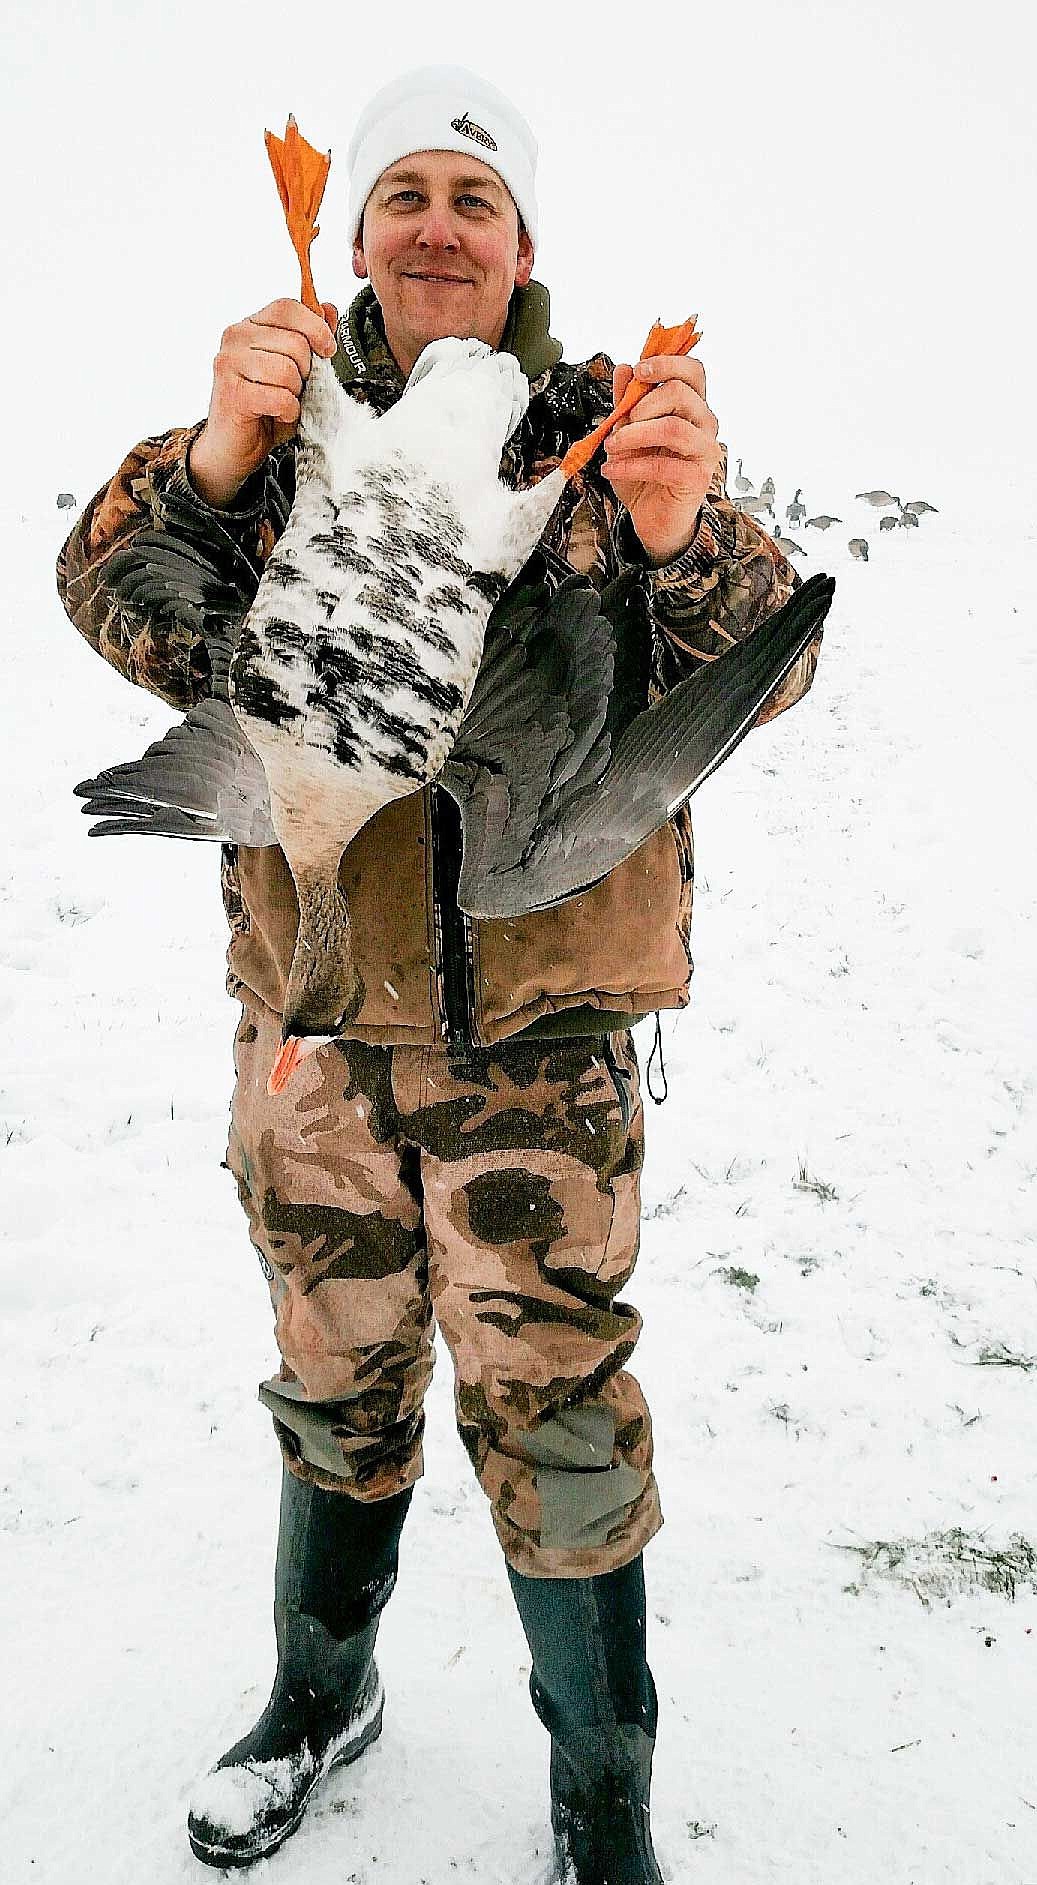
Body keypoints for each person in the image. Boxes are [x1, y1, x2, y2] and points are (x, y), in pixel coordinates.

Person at [57, 64, 822, 1884]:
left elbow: (771, 667)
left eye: (471, 197)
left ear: (522, 242)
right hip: (312, 1041)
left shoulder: (624, 427)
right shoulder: (273, 422)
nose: (435, 223)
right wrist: (216, 459)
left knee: (553, 1393)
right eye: (400, 194)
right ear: (354, 237)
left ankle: (601, 1796)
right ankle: (319, 1699)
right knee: (332, 1376)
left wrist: (672, 533)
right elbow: (112, 598)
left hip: (537, 1057)